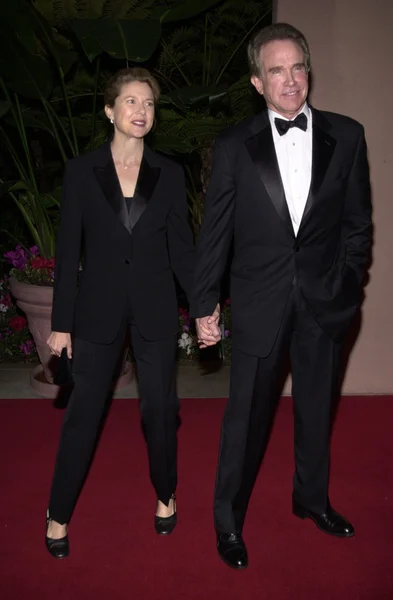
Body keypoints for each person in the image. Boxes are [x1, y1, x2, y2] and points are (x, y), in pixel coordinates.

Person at [192, 23, 372, 569]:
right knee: (245, 420)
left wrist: (346, 282)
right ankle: (228, 523)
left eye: (297, 67)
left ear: (307, 71)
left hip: (324, 303)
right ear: (256, 81)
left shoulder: (348, 135)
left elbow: (358, 226)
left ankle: (311, 500)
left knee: (317, 411)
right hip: (259, 304)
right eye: (276, 70)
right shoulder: (233, 147)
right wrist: (205, 304)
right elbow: (215, 234)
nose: (290, 80)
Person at [45, 67, 195, 559]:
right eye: (130, 102)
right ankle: (58, 512)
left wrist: (204, 308)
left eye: (149, 103)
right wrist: (61, 324)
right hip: (96, 312)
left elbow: (182, 252)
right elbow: (69, 254)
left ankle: (165, 492)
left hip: (154, 310)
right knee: (84, 414)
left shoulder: (170, 174)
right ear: (110, 110)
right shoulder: (82, 171)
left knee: (159, 410)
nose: (141, 111)